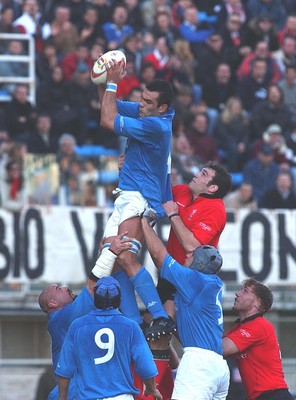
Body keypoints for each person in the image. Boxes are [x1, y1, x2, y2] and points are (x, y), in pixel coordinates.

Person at [93, 59, 176, 338]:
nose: (141, 104)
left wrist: (113, 82)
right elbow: (109, 106)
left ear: (161, 108)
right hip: (126, 194)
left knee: (125, 256)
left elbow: (107, 120)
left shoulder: (156, 126)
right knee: (111, 259)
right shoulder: (148, 114)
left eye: (148, 101)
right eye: (142, 98)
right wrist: (102, 82)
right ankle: (135, 322)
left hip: (141, 198)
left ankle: (161, 317)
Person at [140, 215, 230, 399]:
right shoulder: (212, 282)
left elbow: (159, 256)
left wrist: (144, 224)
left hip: (199, 362)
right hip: (218, 366)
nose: (187, 254)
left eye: (192, 255)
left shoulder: (195, 280)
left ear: (199, 264)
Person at [38, 234, 132, 400]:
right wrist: (110, 253)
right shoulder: (60, 319)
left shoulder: (72, 318)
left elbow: (102, 289)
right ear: (52, 303)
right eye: (59, 288)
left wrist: (104, 254)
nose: (66, 287)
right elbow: (92, 286)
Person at [56, 276, 162, 400]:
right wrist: (152, 389)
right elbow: (146, 366)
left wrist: (62, 398)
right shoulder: (130, 326)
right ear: (119, 299)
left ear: (95, 298)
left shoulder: (77, 326)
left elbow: (64, 370)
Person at [158, 161, 232, 306]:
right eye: (200, 171)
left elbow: (191, 246)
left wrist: (173, 215)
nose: (196, 174)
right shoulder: (183, 191)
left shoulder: (215, 210)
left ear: (212, 188)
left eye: (203, 174)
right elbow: (155, 191)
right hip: (169, 272)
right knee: (153, 321)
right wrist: (127, 169)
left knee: (167, 324)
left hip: (189, 279)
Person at [223, 278, 294, 400]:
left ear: (257, 302)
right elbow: (208, 349)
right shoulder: (239, 329)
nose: (237, 293)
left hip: (273, 396)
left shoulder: (259, 325)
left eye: (245, 291)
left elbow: (219, 348)